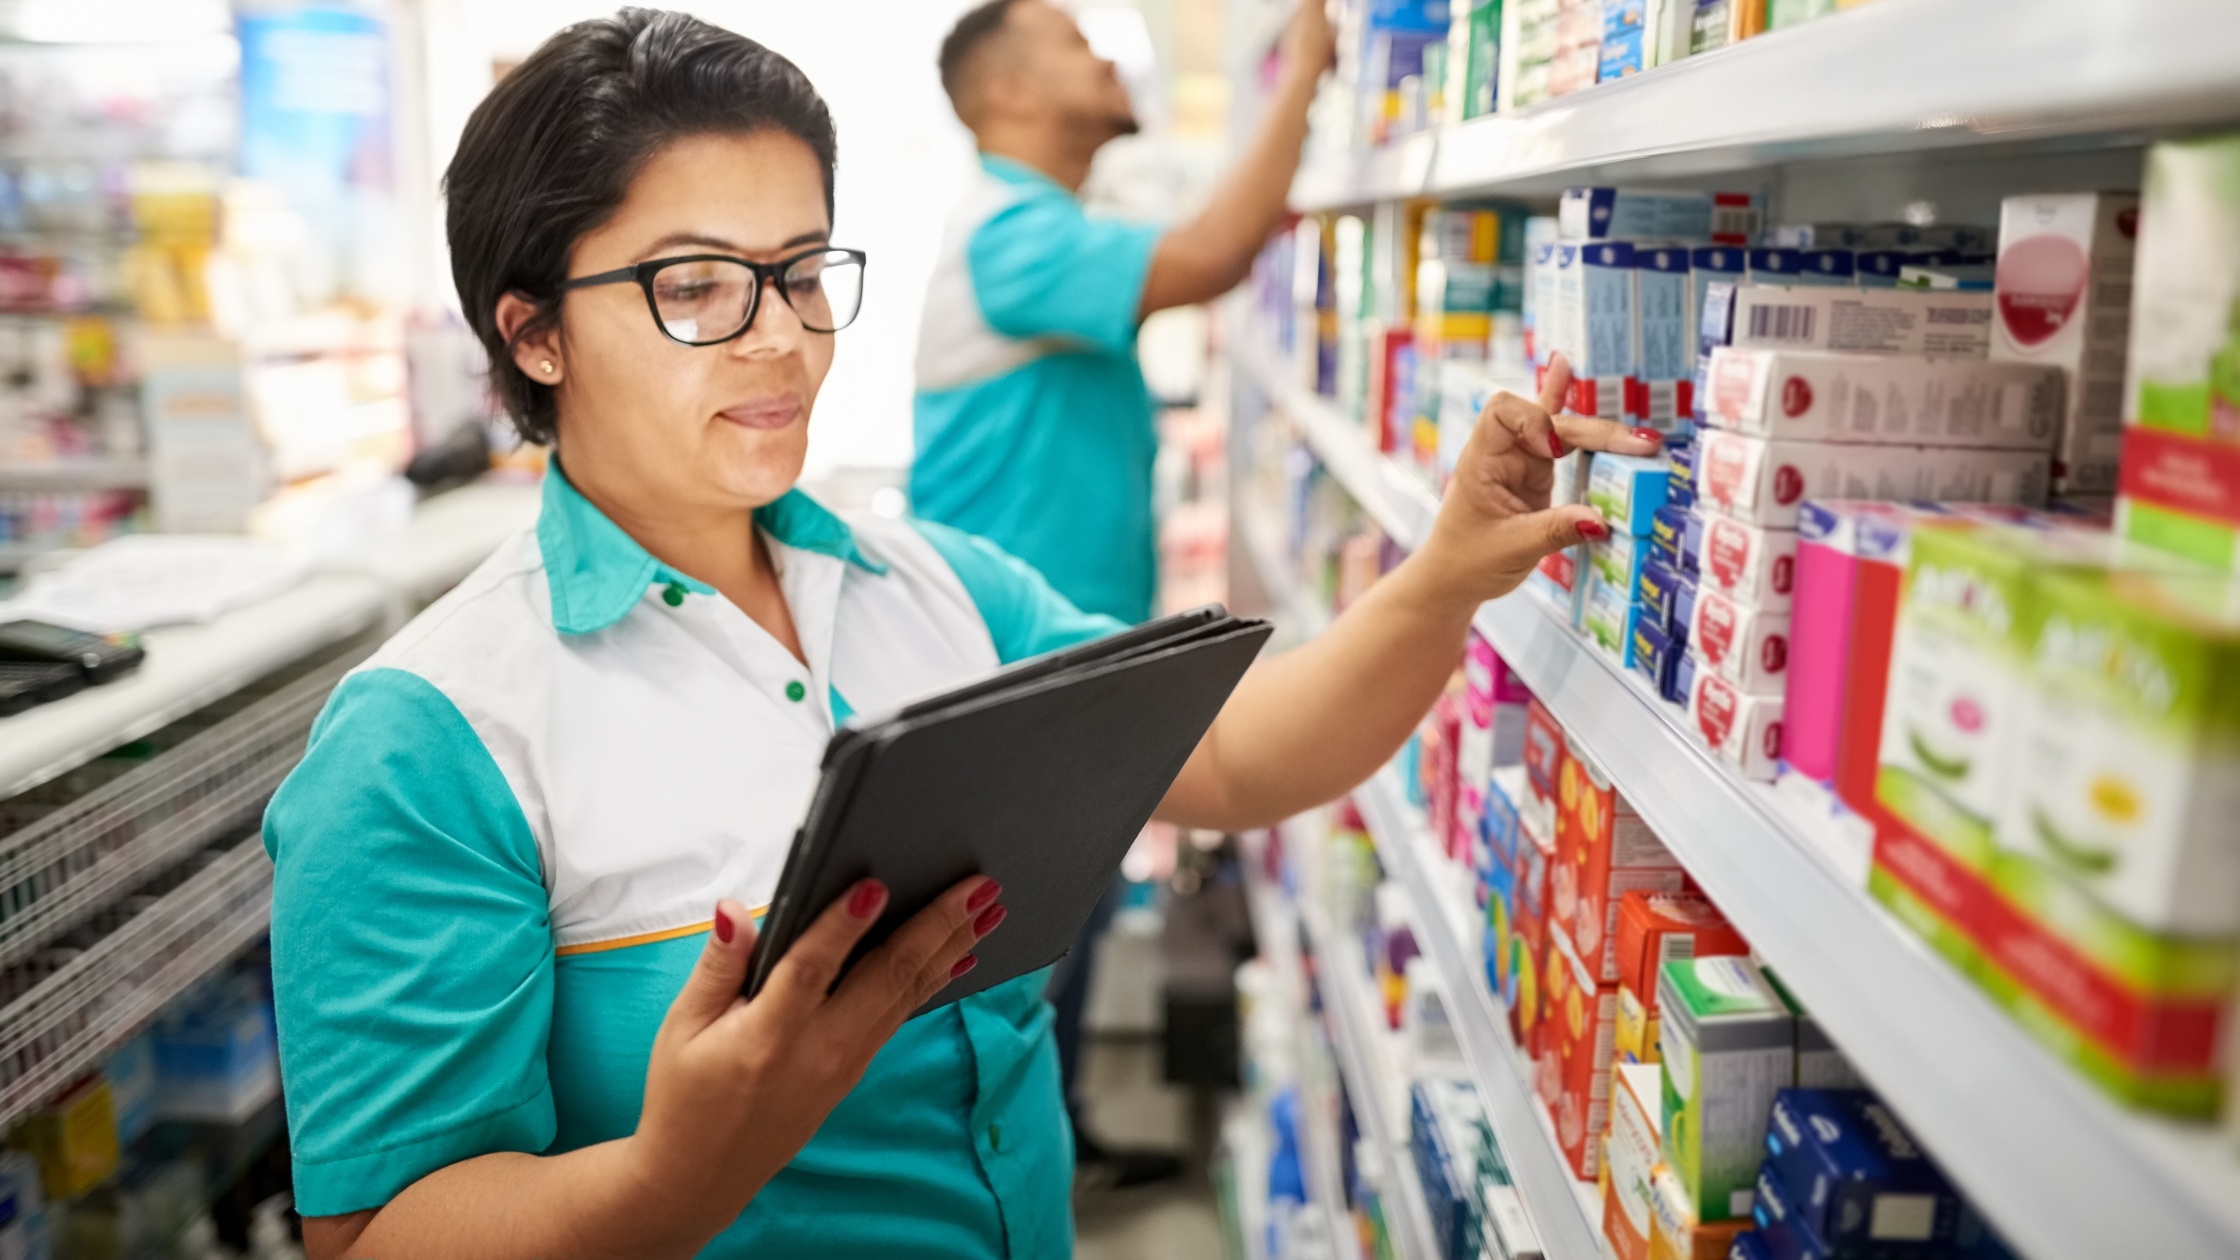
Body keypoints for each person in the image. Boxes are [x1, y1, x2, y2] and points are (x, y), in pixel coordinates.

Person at [262, 10, 1656, 1260]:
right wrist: (673, 1180)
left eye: (802, 271)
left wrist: (1450, 570)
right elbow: (378, 1231)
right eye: (696, 287)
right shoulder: (429, 742)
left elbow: (1231, 758)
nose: (782, 341)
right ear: (534, 336)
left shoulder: (938, 586)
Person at [914, 0, 1335, 1180]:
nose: (1104, 54)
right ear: (1001, 93)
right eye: (1070, 39)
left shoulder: (1050, 225)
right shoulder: (1009, 234)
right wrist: (1302, 70)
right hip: (1005, 670)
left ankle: (1059, 1138)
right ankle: (997, 1171)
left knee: (1069, 910)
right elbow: (1208, 256)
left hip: (1063, 661)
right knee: (1016, 944)